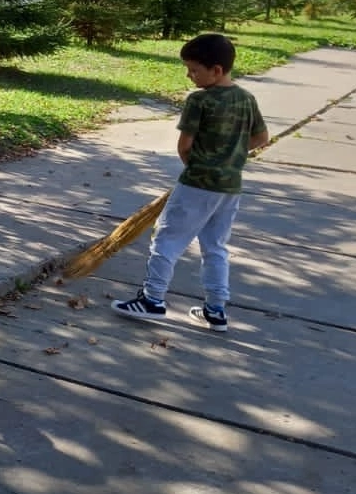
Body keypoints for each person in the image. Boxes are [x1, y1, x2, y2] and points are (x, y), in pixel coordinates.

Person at [112, 33, 269, 332]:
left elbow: (184, 146)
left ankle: (153, 300)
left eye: (194, 69)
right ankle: (215, 309)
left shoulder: (200, 101)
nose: (189, 75)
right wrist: (229, 157)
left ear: (217, 70)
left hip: (197, 183)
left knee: (167, 240)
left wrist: (198, 167)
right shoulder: (247, 99)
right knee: (216, 246)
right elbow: (262, 138)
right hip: (229, 187)